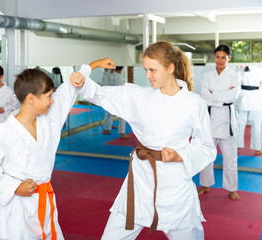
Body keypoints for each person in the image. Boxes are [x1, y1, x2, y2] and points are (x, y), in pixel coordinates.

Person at [70, 41, 216, 239]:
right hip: (140, 181)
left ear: (170, 68)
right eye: (146, 69)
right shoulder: (138, 96)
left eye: (153, 70)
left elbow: (206, 146)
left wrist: (179, 155)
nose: (147, 76)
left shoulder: (193, 103)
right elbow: (100, 94)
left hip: (174, 185)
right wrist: (82, 80)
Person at [0, 67, 85, 240]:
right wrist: (15, 188)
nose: (52, 101)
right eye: (48, 96)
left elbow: (66, 93)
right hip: (18, 205)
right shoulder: (6, 131)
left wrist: (88, 68)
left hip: (44, 198)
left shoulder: (48, 121)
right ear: (31, 98)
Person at [198, 44, 241, 200]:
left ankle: (231, 188)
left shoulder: (235, 76)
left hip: (227, 120)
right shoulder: (206, 75)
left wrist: (213, 94)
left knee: (230, 157)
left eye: (224, 57)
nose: (220, 60)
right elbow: (204, 95)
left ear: (229, 58)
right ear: (214, 57)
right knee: (206, 154)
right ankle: (205, 184)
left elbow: (232, 96)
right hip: (210, 119)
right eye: (218, 56)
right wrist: (222, 95)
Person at [235, 65, 262, 155]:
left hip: (242, 100)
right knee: (256, 126)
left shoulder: (239, 71)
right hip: (256, 101)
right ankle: (257, 149)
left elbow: (235, 84)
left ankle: (237, 147)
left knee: (239, 125)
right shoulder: (259, 71)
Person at [101, 67, 129, 138]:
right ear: (122, 69)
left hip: (109, 97)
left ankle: (106, 129)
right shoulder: (118, 77)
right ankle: (122, 133)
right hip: (117, 98)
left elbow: (104, 84)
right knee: (122, 116)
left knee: (109, 113)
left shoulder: (110, 75)